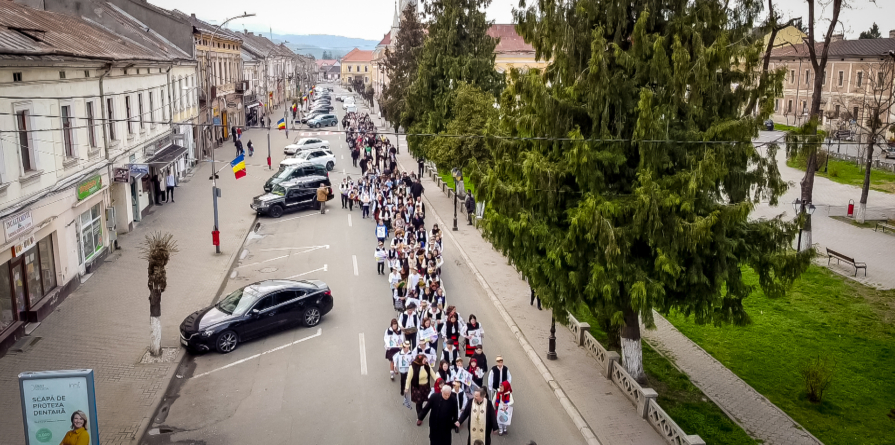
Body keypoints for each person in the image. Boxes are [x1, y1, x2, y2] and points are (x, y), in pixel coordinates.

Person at [406, 354, 436, 418]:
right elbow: (409, 378)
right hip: (417, 387)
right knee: (419, 402)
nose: (426, 361)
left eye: (426, 360)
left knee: (425, 401)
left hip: (425, 387)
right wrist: (407, 387)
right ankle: (419, 417)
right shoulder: (412, 367)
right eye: (424, 360)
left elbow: (433, 374)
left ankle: (421, 413)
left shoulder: (427, 365)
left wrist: (438, 381)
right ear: (420, 360)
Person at [393, 341, 414, 408]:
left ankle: (407, 389)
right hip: (402, 369)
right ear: (403, 348)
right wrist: (395, 366)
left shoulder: (410, 353)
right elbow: (395, 359)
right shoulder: (399, 353)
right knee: (402, 380)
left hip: (408, 369)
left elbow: (413, 359)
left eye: (408, 348)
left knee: (409, 379)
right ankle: (402, 390)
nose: (407, 349)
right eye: (406, 348)